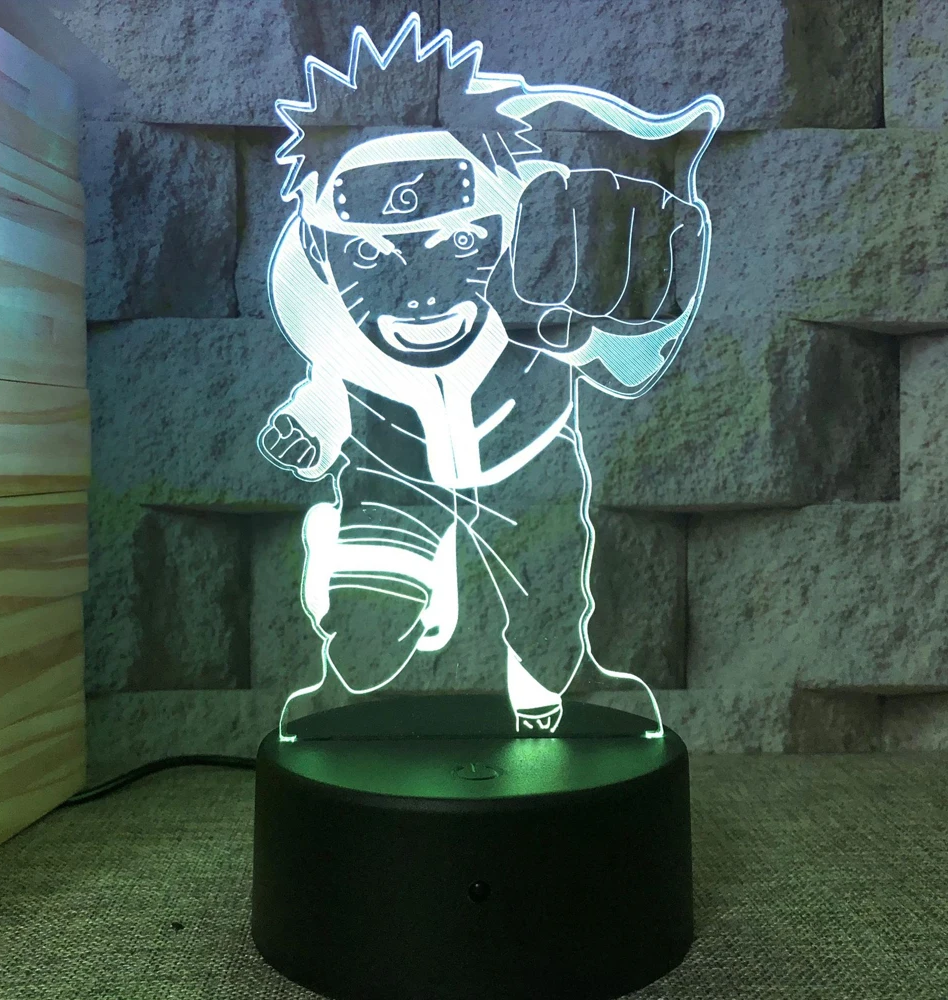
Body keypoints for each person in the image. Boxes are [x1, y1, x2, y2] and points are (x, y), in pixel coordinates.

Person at [257, 13, 722, 738]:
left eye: (462, 240)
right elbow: (331, 380)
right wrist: (310, 428)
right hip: (393, 477)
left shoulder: (548, 284)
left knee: (551, 629)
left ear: (507, 226)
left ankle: (540, 682)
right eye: (371, 255)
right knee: (362, 655)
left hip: (530, 468)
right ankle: (344, 569)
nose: (422, 293)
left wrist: (646, 303)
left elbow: (627, 367)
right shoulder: (322, 314)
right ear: (321, 250)